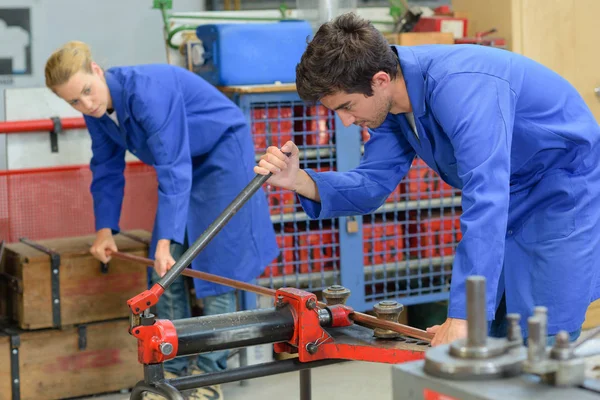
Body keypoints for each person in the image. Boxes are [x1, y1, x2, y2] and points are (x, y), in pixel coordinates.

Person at [255, 13, 600, 347]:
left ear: (379, 80)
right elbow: (372, 185)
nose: (346, 122)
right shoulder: (392, 106)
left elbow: (486, 197)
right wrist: (300, 180)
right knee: (490, 341)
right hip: (509, 197)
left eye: (348, 106)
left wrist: (462, 317)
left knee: (539, 339)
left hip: (561, 193)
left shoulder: (462, 87)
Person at [45, 41, 278, 399]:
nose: (86, 105)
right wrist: (105, 230)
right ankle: (175, 369)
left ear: (96, 71)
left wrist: (165, 241)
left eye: (87, 92)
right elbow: (106, 169)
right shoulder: (97, 114)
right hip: (183, 163)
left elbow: (172, 167)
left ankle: (209, 377)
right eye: (74, 101)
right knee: (164, 271)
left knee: (213, 266)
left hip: (220, 153)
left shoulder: (147, 92)